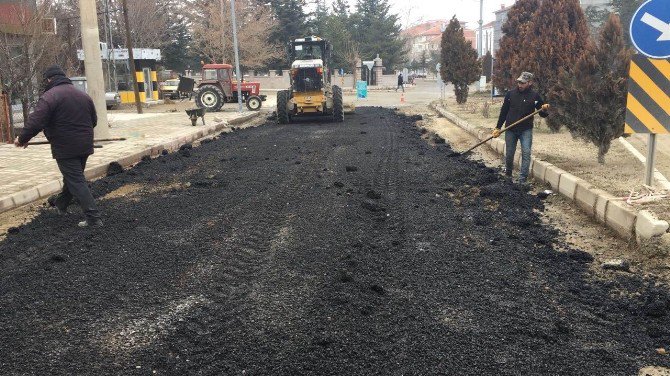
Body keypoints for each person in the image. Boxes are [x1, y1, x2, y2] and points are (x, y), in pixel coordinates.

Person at [14, 65, 103, 228]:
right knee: (73, 177)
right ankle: (61, 204)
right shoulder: (83, 95)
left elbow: (36, 121)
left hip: (65, 147)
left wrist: (22, 138)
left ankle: (93, 218)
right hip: (85, 145)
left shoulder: (49, 97)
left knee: (76, 180)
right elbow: (94, 121)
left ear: (49, 80)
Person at [492, 71, 550, 184]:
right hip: (510, 129)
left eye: (523, 83)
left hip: (525, 129)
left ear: (530, 82)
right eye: (519, 82)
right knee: (509, 153)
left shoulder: (535, 96)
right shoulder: (510, 94)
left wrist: (544, 109)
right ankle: (508, 174)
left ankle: (522, 179)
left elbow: (541, 114)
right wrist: (498, 127)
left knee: (526, 152)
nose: (520, 85)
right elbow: (504, 111)